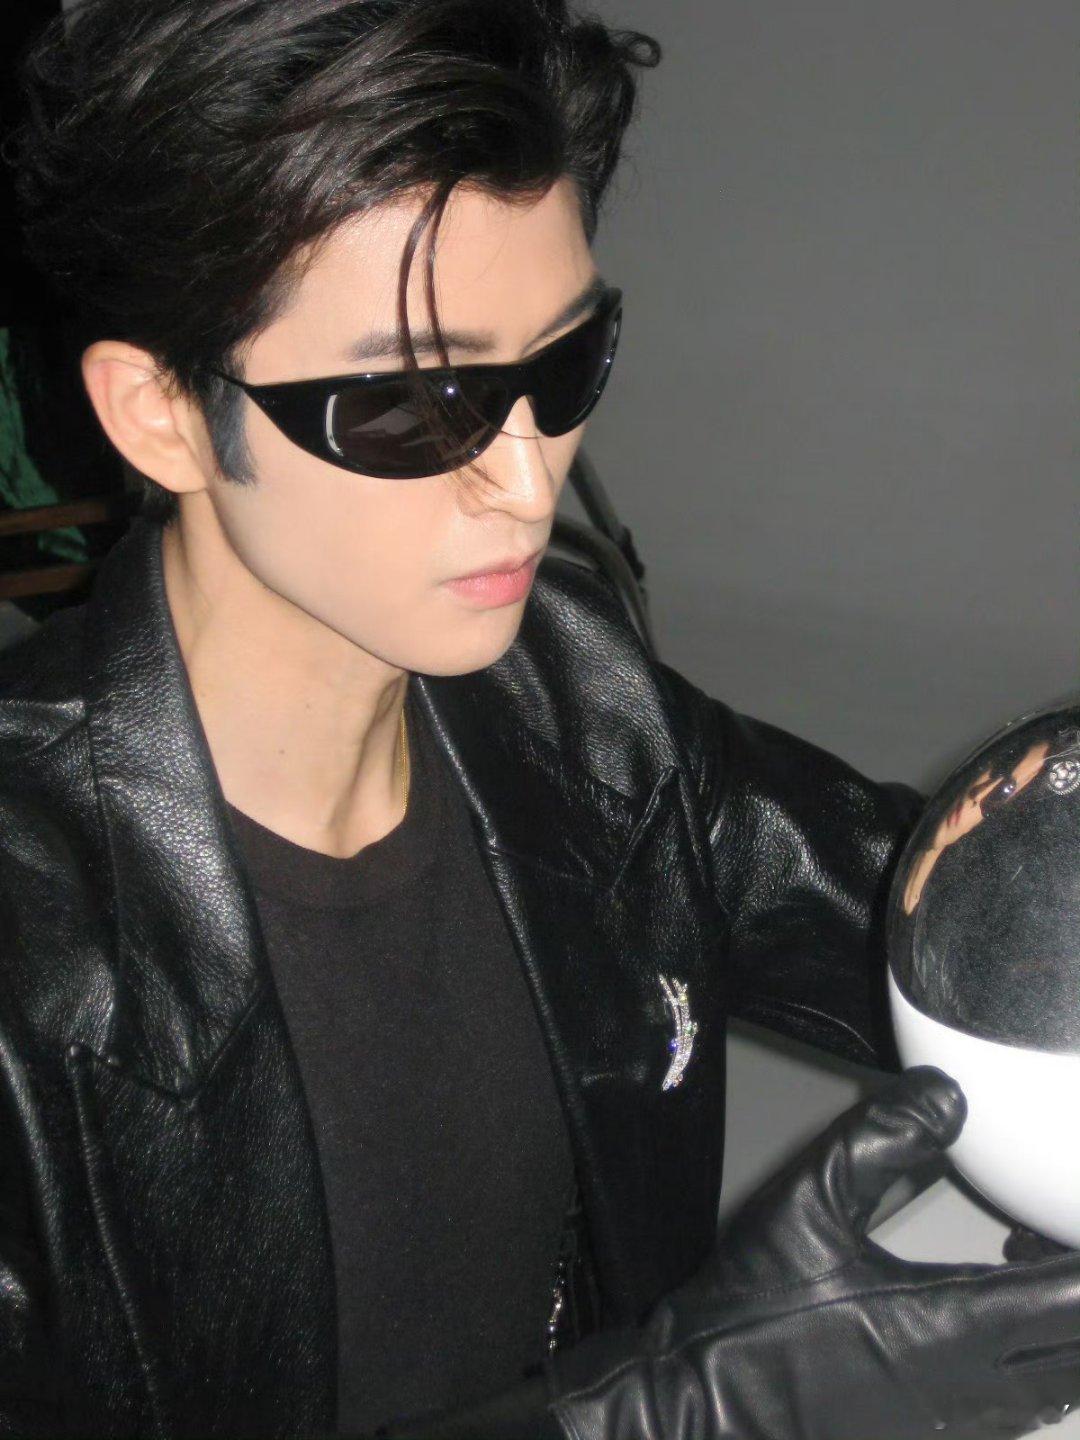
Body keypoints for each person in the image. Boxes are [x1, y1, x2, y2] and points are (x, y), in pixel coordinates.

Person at [2, 1, 1079, 1436]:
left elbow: (945, 915)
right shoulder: (31, 966)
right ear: (161, 414)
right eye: (411, 403)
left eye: (564, 365)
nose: (528, 481)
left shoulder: (574, 696)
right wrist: (662, 1415)